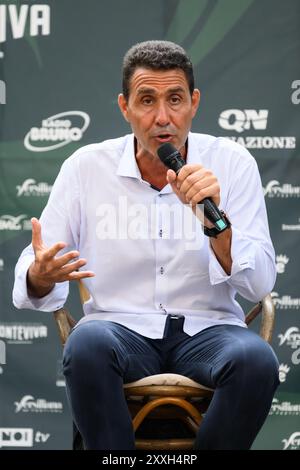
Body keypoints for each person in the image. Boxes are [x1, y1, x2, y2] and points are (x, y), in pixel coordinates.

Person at [13, 40, 279, 450]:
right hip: (119, 329)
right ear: (125, 107)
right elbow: (36, 268)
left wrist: (215, 222)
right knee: (87, 345)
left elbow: (259, 283)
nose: (162, 118)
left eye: (175, 100)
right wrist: (40, 275)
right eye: (146, 100)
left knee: (257, 361)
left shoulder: (232, 163)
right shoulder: (86, 167)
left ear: (194, 103)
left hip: (208, 332)